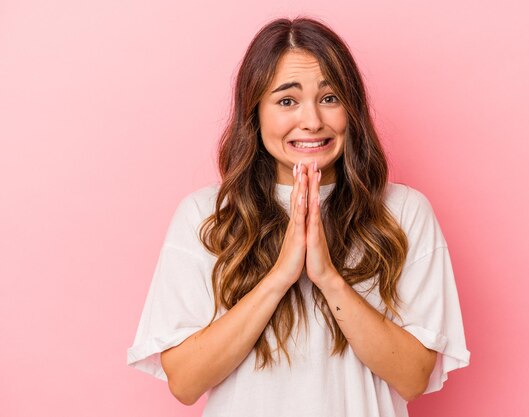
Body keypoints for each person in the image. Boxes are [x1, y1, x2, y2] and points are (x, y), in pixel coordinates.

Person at [127, 16, 470, 417]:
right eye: (287, 101)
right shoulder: (207, 216)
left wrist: (327, 277)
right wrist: (279, 277)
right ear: (254, 112)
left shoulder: (403, 213)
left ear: (351, 108)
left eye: (329, 98)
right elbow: (185, 383)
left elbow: (413, 378)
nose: (312, 121)